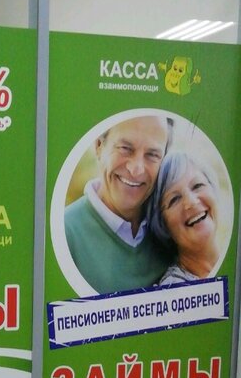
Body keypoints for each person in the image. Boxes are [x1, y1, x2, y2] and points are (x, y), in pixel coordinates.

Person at [63, 115, 173, 294]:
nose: (136, 169)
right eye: (125, 149)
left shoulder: (171, 229)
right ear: (99, 147)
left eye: (152, 155)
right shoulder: (65, 232)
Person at [148, 150, 221, 286]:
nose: (191, 202)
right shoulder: (174, 288)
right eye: (174, 199)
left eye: (198, 186)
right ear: (162, 224)